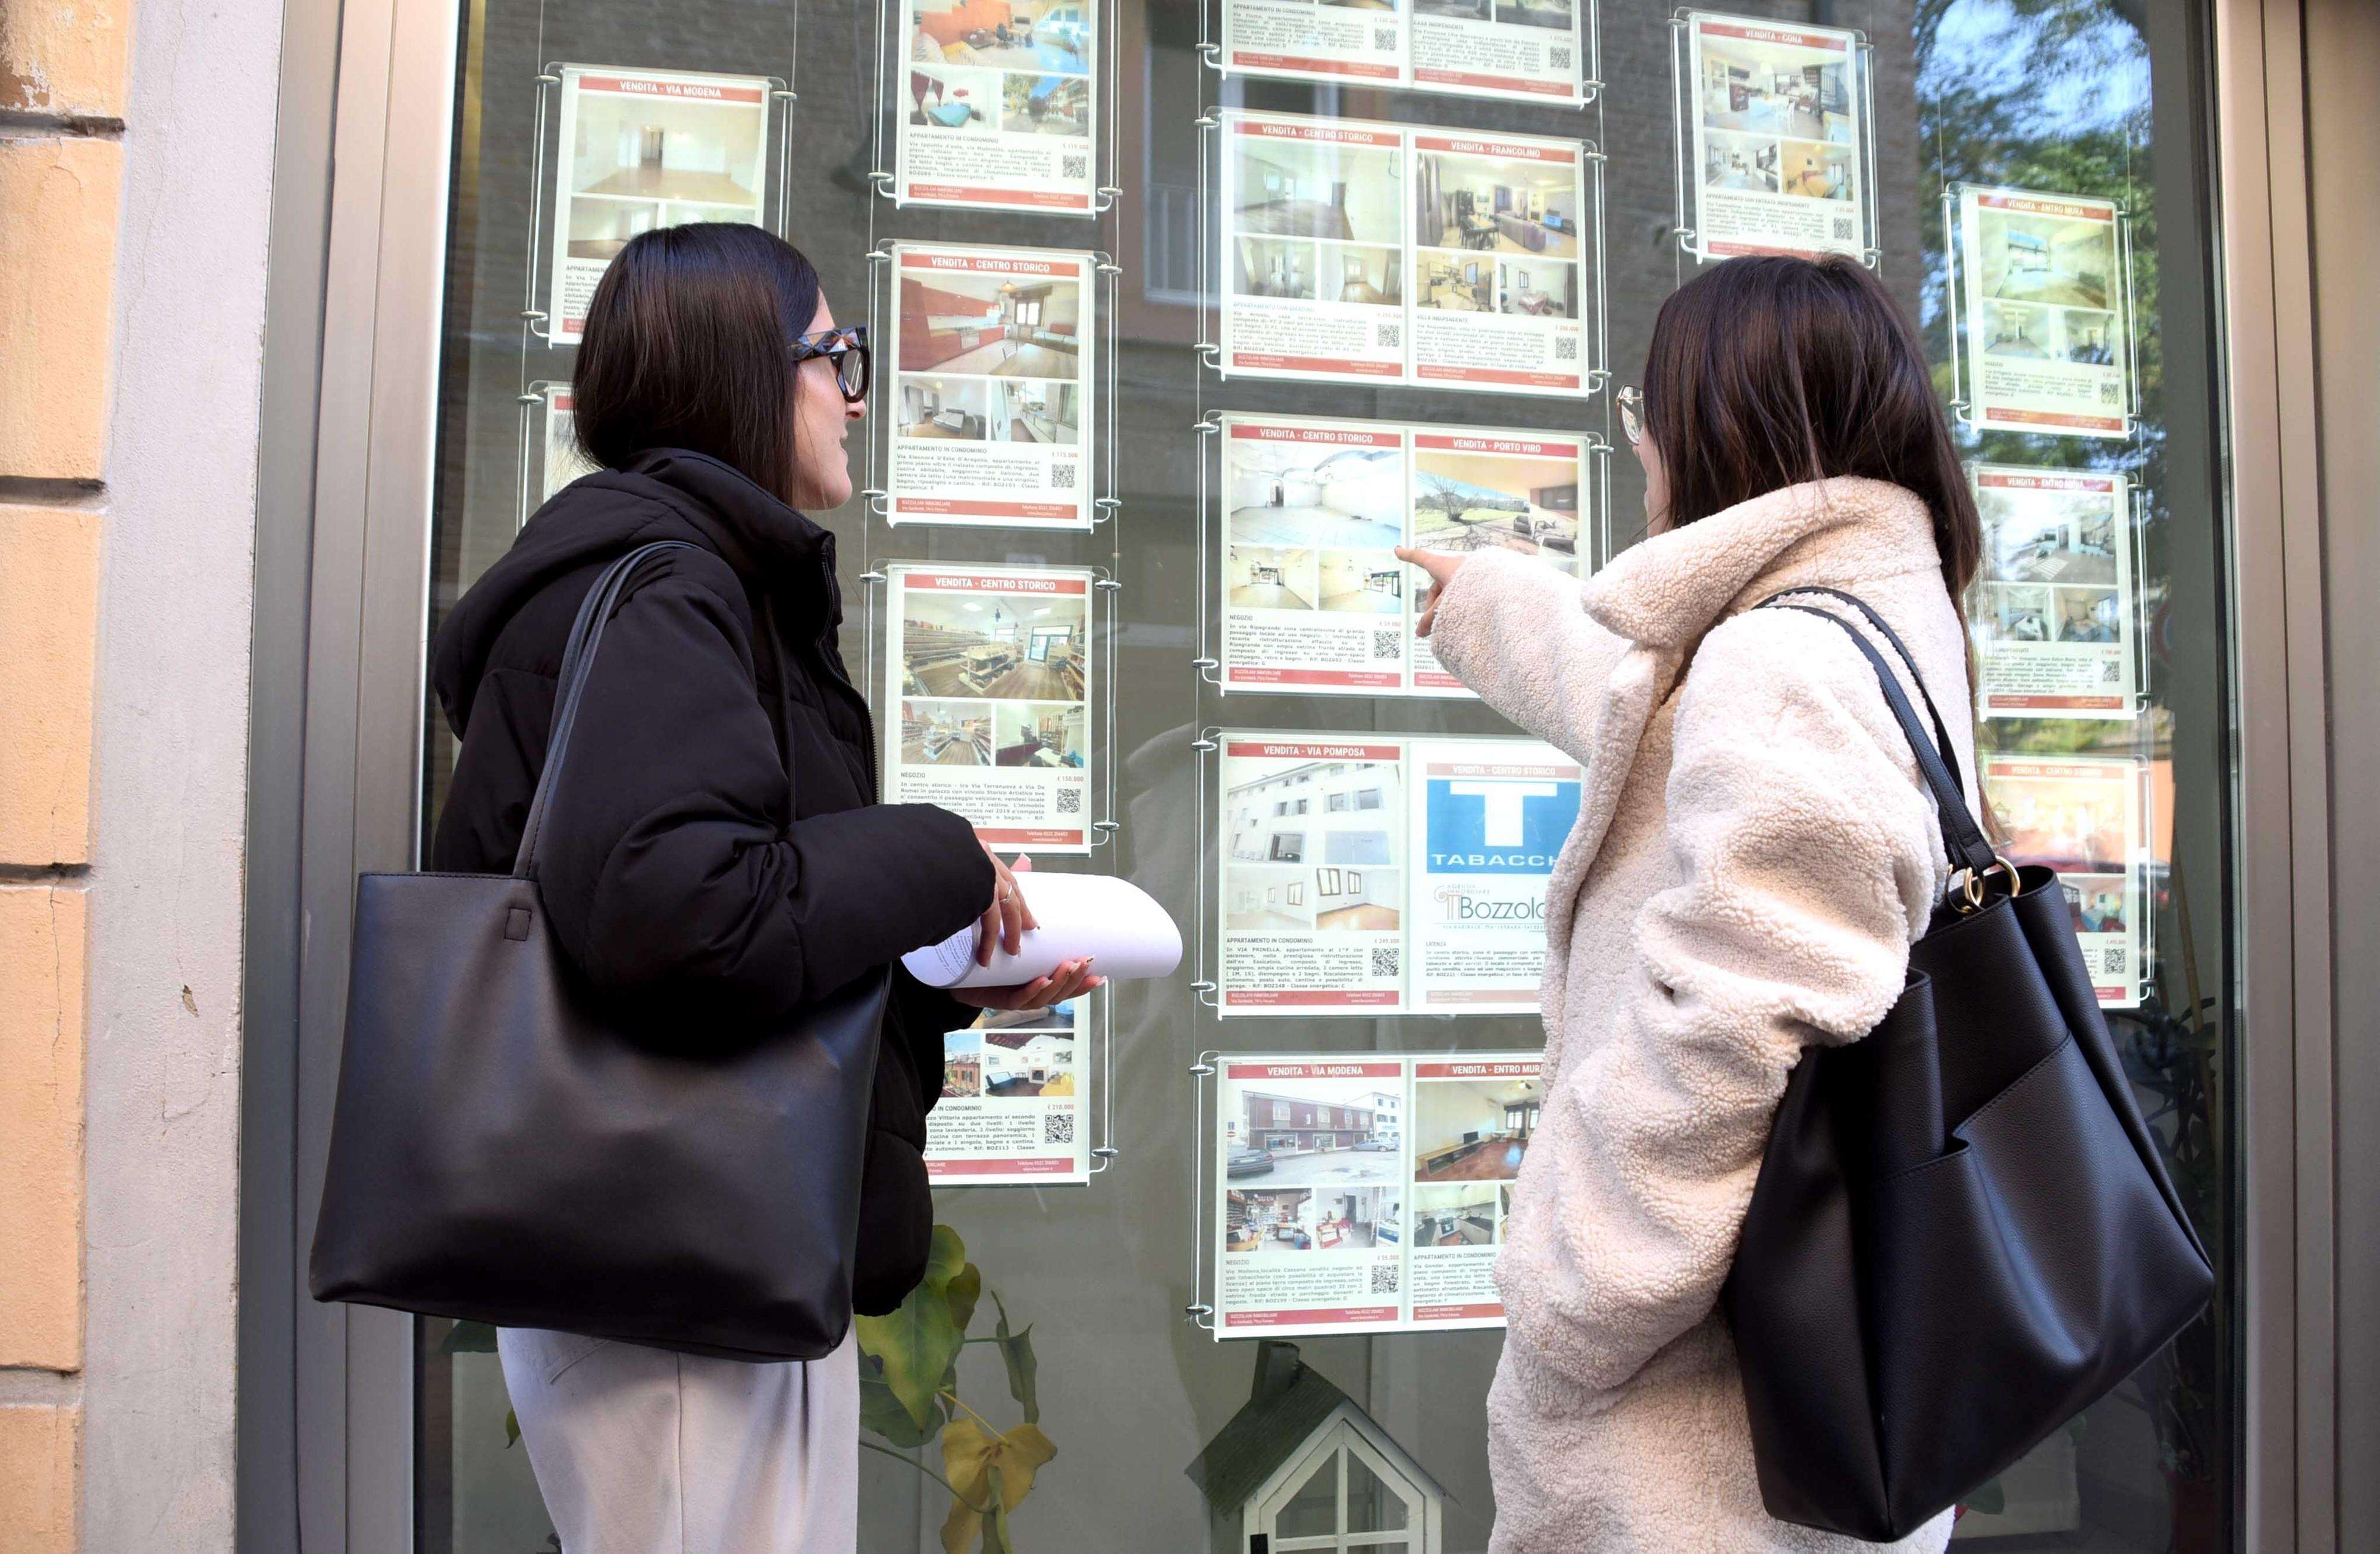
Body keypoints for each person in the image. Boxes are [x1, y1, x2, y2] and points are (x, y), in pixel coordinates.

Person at [427, 223, 1099, 1554]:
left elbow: (718, 933)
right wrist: (940, 851)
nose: (855, 394)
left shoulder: (666, 580)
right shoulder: (677, 587)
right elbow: (680, 913)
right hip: (677, 1281)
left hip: (678, 1259)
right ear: (747, 371)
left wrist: (948, 986)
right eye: (834, 355)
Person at [1397, 255, 1986, 1554]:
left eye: (1643, 411)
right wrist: (1492, 604)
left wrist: (1572, 1292)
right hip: (1785, 1399)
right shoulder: (1876, 618)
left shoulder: (1783, 663)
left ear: (1713, 424)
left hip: (1702, 1453)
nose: (1642, 446)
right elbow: (1660, 724)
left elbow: (1734, 1031)